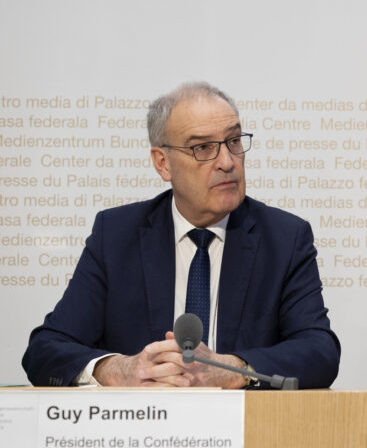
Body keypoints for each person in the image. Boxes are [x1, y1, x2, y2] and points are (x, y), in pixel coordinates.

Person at [23, 81, 340, 389]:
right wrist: (119, 370)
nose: (227, 162)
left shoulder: (284, 239)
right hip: (142, 421)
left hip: (244, 421)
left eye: (233, 141)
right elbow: (46, 350)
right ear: (163, 163)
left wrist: (234, 370)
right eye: (203, 148)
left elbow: (319, 351)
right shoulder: (116, 235)